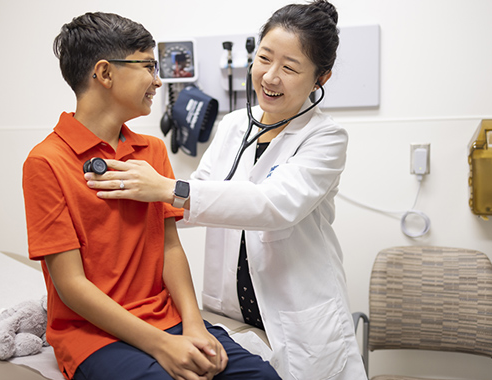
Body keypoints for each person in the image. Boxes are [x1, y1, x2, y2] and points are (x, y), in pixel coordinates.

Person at [84, 2, 368, 379]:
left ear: (321, 78)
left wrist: (165, 188)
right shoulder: (236, 125)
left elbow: (272, 205)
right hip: (232, 315)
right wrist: (122, 202)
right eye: (264, 58)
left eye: (290, 68)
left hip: (300, 322)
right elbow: (195, 197)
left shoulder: (326, 138)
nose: (270, 76)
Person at [22, 12, 280, 380]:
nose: (158, 81)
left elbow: (169, 248)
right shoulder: (46, 162)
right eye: (148, 67)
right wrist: (161, 346)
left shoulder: (151, 152)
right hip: (94, 337)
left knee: (262, 376)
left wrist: (193, 326)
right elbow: (71, 286)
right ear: (105, 73)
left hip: (168, 319)